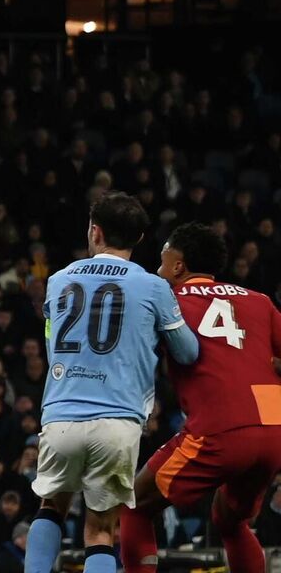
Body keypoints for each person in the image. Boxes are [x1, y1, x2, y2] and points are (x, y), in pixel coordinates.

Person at [24, 193, 198, 573]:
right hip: (118, 421)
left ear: (95, 231)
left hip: (61, 414)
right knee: (100, 529)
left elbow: (54, 338)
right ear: (138, 239)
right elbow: (188, 353)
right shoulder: (154, 287)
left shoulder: (57, 281)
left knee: (51, 507)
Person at [119, 223, 281, 573]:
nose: (157, 271)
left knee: (134, 504)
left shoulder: (167, 301)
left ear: (178, 266)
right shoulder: (260, 301)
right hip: (273, 430)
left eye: (162, 262)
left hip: (219, 431)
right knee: (228, 517)